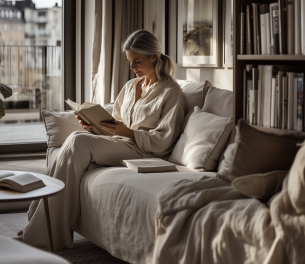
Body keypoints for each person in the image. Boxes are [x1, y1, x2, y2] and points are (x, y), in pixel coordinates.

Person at [20, 29, 185, 250]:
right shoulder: (130, 86)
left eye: (137, 62)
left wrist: (125, 132)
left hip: (147, 153)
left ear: (153, 57)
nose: (131, 67)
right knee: (79, 136)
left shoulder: (170, 91)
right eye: (129, 61)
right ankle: (40, 220)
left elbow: (164, 140)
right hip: (123, 144)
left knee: (79, 142)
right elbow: (115, 123)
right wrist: (95, 127)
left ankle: (44, 231)